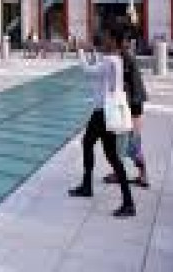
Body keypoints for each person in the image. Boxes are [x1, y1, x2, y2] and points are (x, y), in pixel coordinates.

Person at [69, 25, 135, 217]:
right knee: (110, 155)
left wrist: (80, 51)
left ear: (113, 41)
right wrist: (92, 50)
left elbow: (88, 71)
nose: (103, 40)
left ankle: (89, 186)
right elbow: (101, 69)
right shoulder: (117, 59)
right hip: (108, 111)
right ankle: (126, 201)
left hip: (103, 112)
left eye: (106, 37)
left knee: (89, 144)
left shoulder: (110, 61)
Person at [104, 35, 149, 188]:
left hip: (132, 106)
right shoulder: (124, 57)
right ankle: (122, 172)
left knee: (132, 143)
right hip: (131, 105)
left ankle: (142, 175)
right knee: (123, 142)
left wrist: (131, 111)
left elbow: (131, 86)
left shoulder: (125, 59)